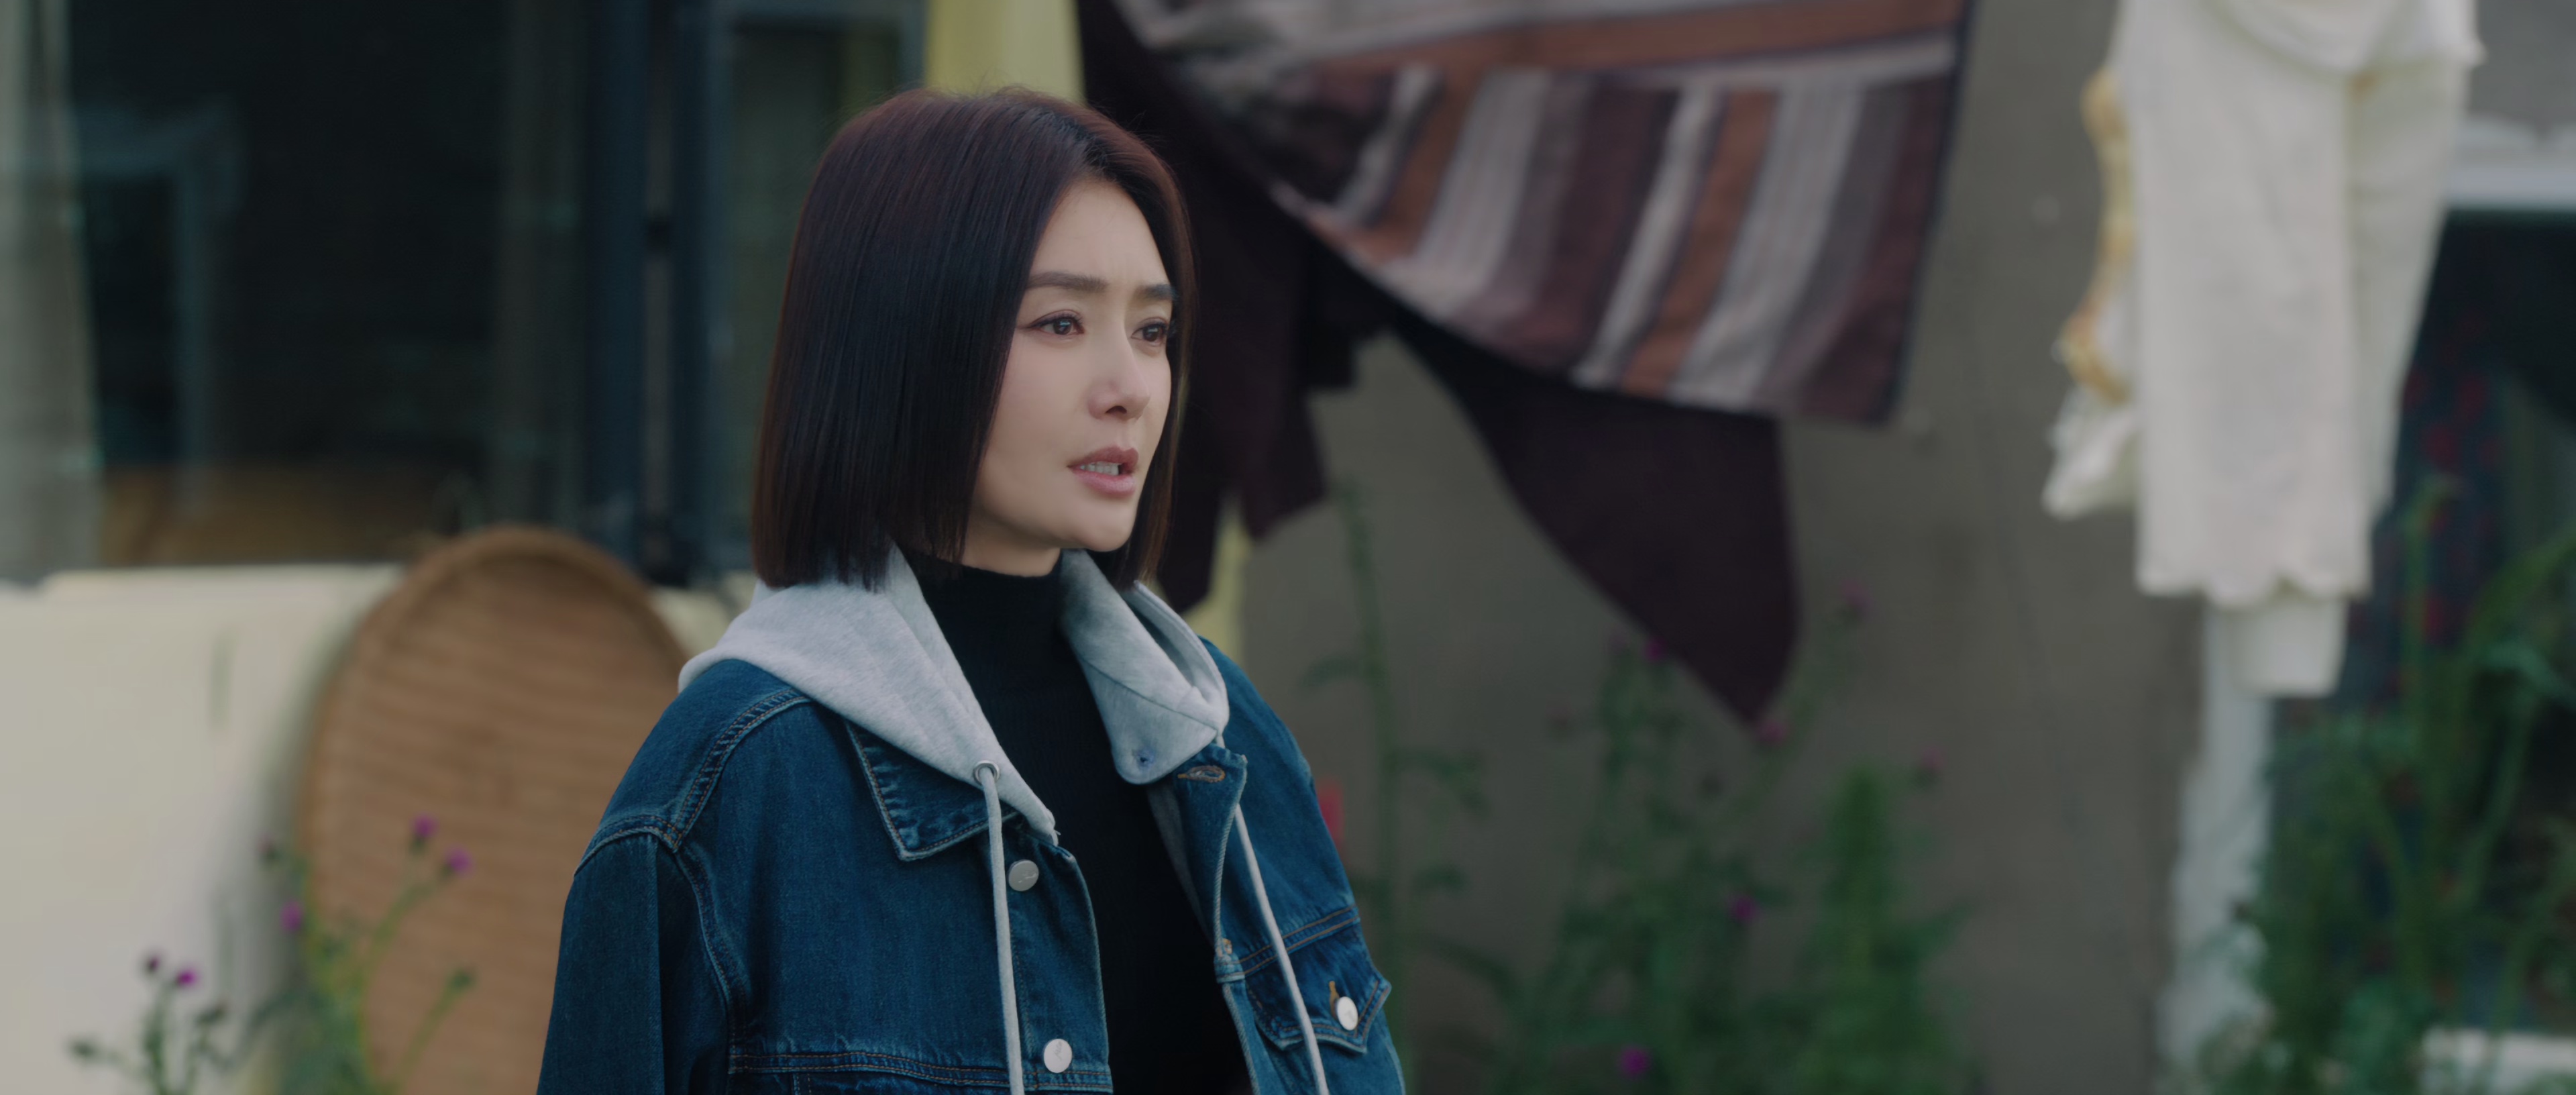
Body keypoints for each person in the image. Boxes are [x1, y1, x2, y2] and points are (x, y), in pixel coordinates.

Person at [535, 89, 1400, 1095]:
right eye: (1062, 322)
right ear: (904, 343)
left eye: (1153, 330)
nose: (1130, 386)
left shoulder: (1224, 743)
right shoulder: (734, 787)